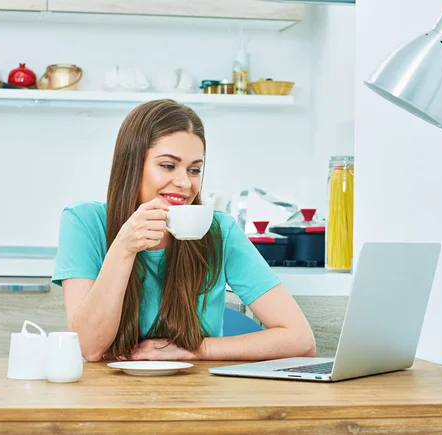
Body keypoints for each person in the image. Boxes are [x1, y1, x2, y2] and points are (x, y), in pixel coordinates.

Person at [52, 99, 316, 362]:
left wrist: (192, 349)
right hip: (107, 398)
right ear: (131, 164)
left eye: (194, 170)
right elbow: (89, 348)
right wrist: (124, 248)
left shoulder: (219, 231)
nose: (184, 182)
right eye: (168, 165)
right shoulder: (84, 221)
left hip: (198, 396)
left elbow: (301, 340)